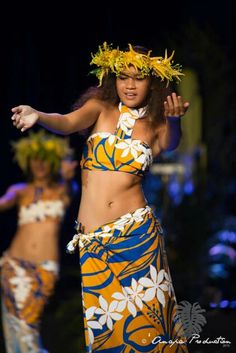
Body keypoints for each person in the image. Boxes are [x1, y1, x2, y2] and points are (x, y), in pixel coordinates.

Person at [11, 42, 190, 352]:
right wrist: (37, 115)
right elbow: (66, 122)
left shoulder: (157, 125)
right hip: (94, 241)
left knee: (147, 328)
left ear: (154, 83)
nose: (130, 85)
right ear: (112, 79)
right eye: (123, 77)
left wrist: (174, 121)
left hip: (137, 237)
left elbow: (171, 143)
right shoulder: (99, 108)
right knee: (108, 331)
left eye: (139, 78)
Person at [0, 129, 78, 353]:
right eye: (35, 160)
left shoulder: (63, 189)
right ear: (28, 162)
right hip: (13, 265)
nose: (40, 165)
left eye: (45, 160)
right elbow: (3, 202)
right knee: (17, 328)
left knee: (28, 325)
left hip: (44, 268)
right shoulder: (20, 191)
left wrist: (65, 174)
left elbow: (69, 187)